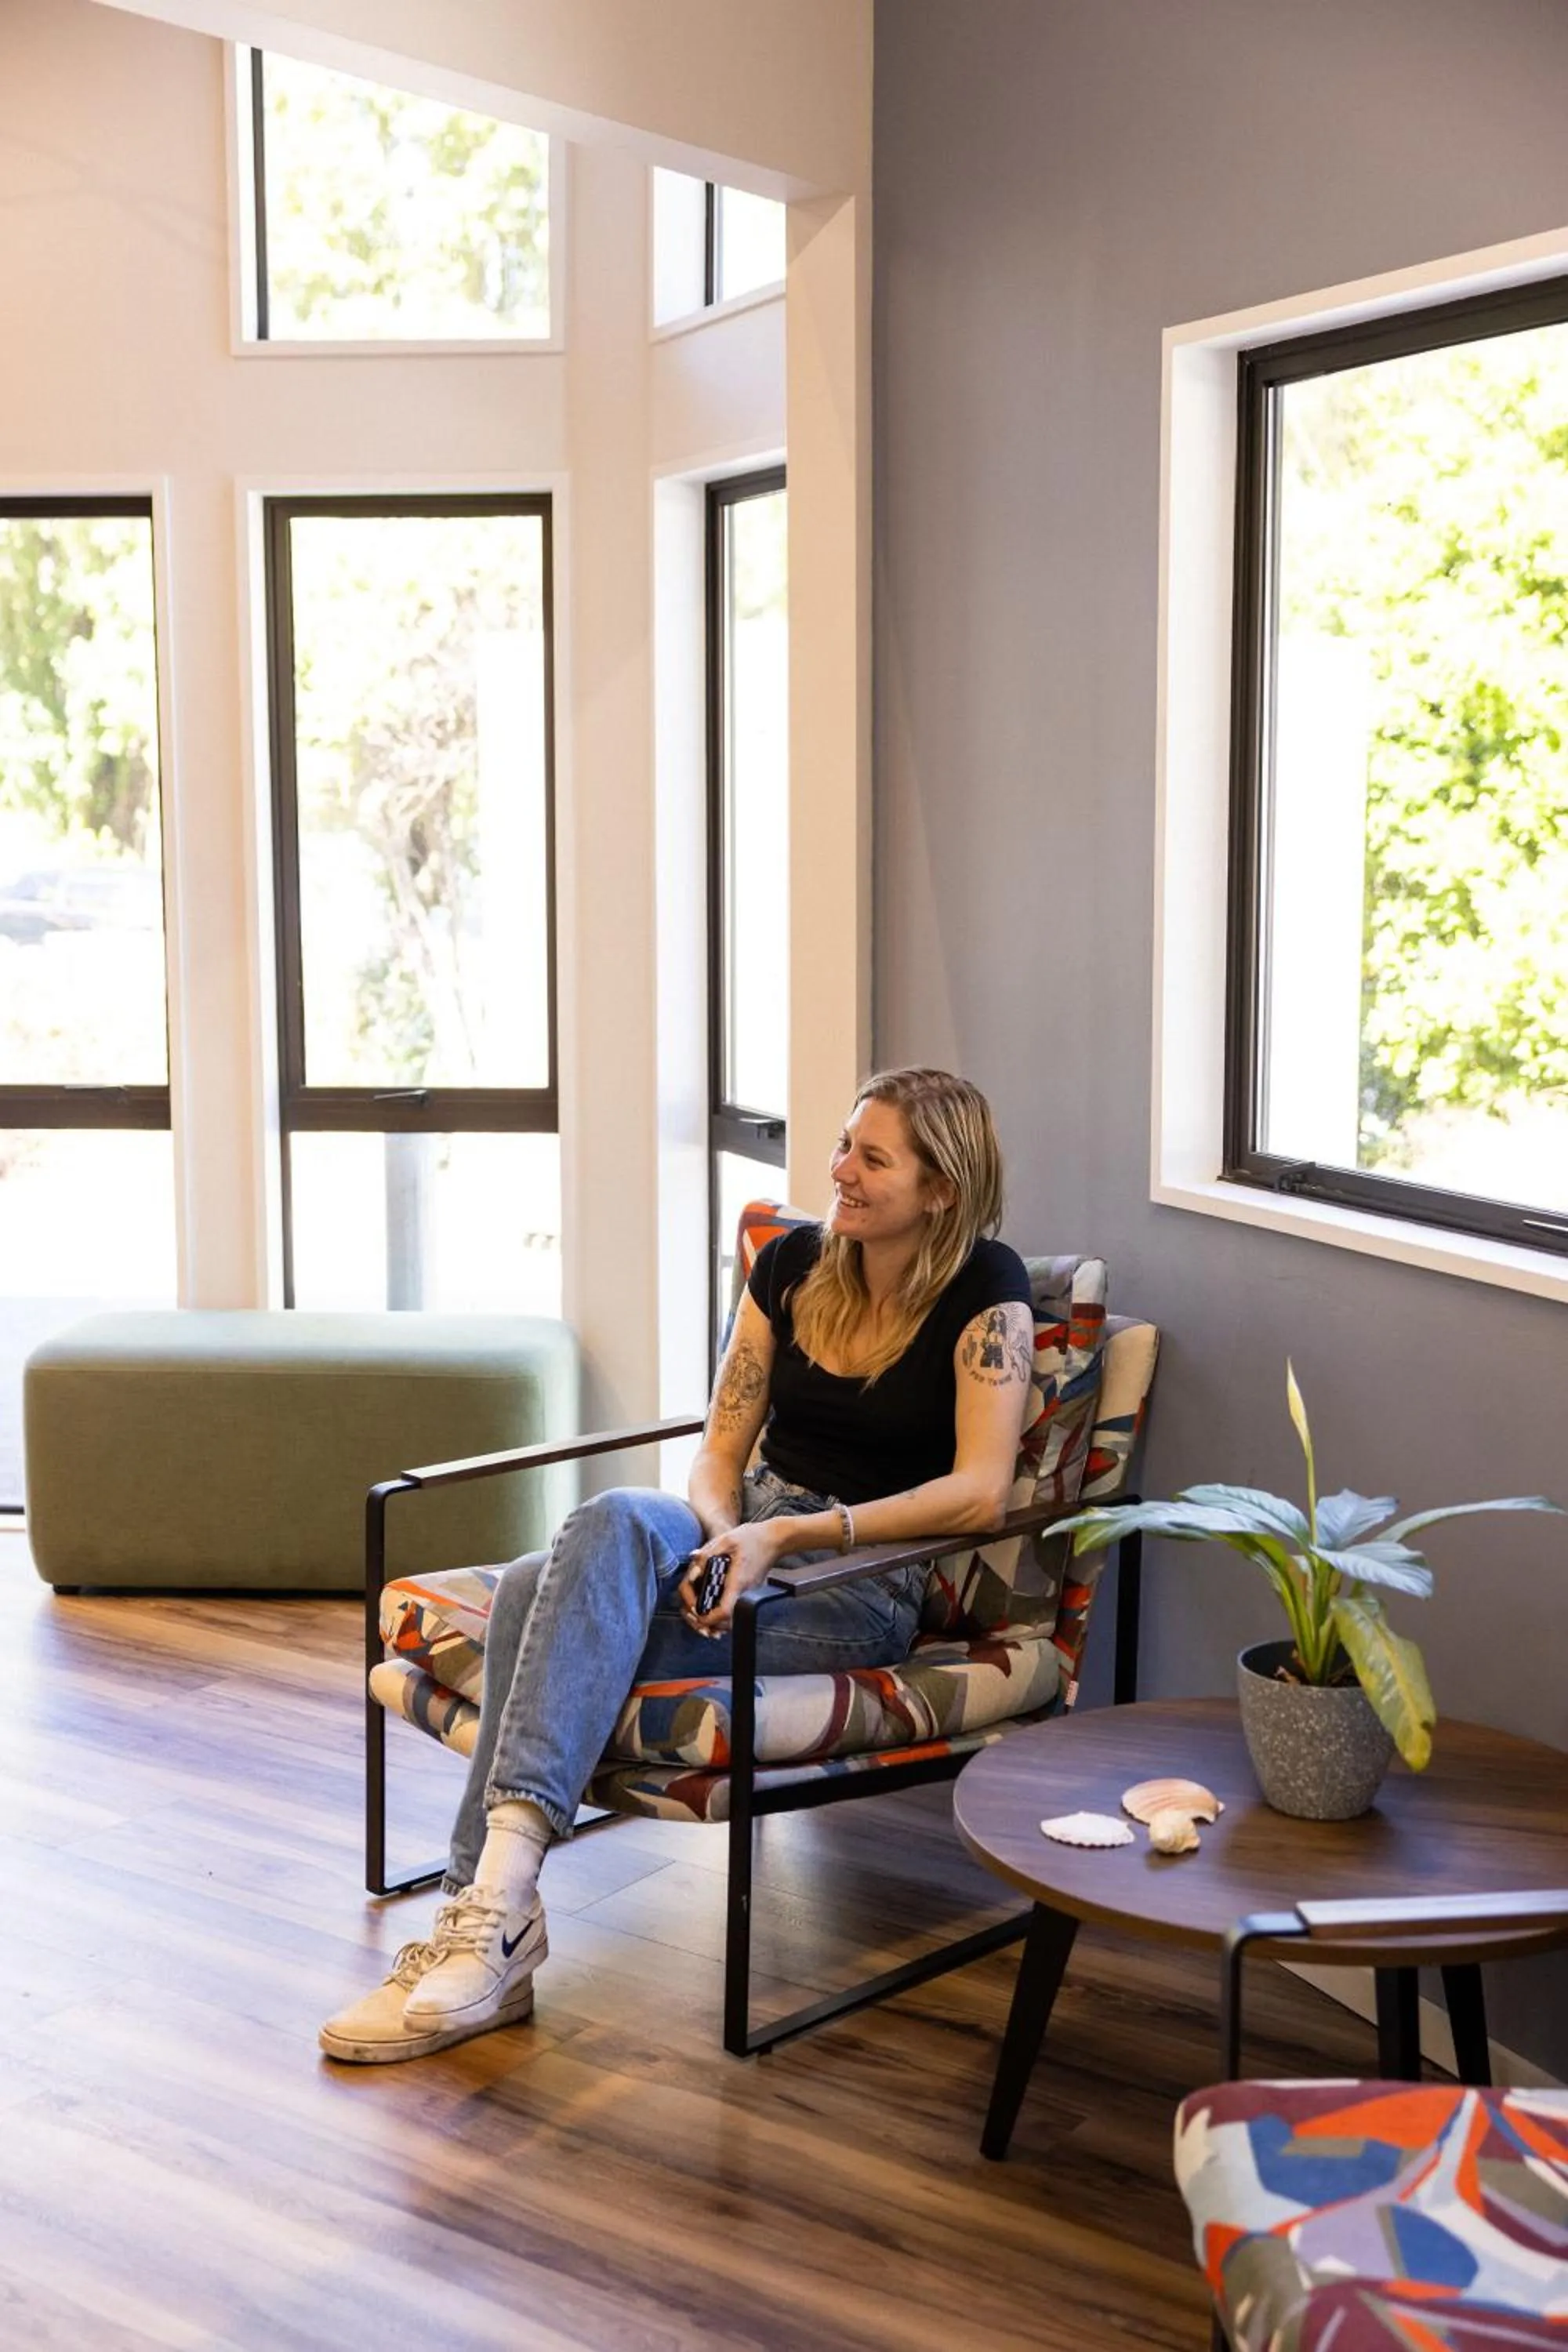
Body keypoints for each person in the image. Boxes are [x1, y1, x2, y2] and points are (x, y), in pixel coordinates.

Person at [319, 1065, 1035, 2063]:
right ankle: (497, 1918)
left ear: (940, 1188)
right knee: (615, 1516)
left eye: (872, 1159)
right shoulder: (790, 1264)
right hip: (736, 1532)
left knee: (530, 1594)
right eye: (841, 1143)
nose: (840, 1171)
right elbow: (718, 1449)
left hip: (853, 1572)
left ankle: (479, 1917)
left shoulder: (985, 1287)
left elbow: (979, 1492)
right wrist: (720, 1534)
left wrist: (779, 1541)